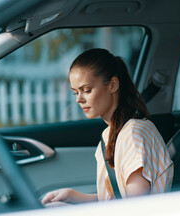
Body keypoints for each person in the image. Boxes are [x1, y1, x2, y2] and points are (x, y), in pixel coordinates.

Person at [42, 48, 173, 205]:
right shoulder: (110, 134)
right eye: (75, 92)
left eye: (86, 90)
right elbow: (116, 199)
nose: (79, 99)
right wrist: (72, 196)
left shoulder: (133, 133)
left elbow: (135, 207)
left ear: (112, 85)